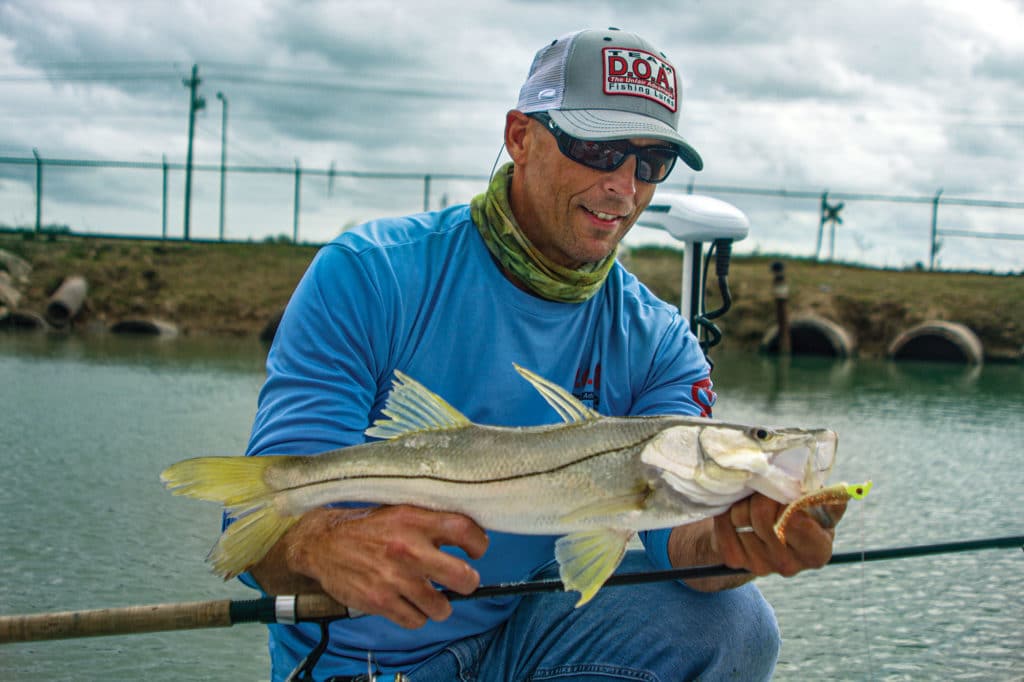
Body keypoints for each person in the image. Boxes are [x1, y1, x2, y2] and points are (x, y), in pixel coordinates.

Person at [242, 27, 846, 681]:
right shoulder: (370, 274)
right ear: (520, 137)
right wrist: (317, 538)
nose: (624, 185)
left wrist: (739, 547)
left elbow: (680, 543)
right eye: (598, 148)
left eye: (651, 162)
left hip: (532, 643)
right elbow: (257, 532)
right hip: (362, 660)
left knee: (734, 623)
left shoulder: (662, 343)